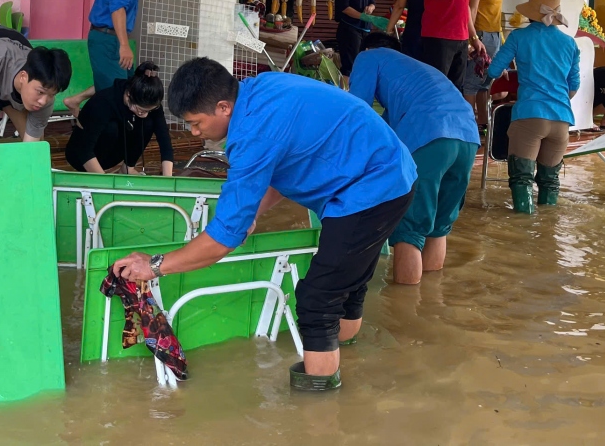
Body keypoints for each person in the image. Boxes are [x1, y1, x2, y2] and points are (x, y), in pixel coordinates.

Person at [112, 59, 416, 392]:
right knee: (345, 282)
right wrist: (251, 211)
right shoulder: (261, 89)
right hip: (390, 171)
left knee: (317, 300)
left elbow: (220, 242)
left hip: (372, 188)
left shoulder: (251, 137)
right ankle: (344, 356)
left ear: (224, 107)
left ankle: (320, 410)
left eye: (196, 123)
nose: (194, 133)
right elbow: (284, 162)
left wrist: (154, 266)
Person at [349, 33, 478, 285]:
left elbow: (357, 111)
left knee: (409, 229)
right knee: (439, 224)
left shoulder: (368, 56)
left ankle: (405, 310)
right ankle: (427, 303)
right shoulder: (415, 72)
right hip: (468, 137)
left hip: (430, 135)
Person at [483, 0, 580, 214]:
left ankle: (524, 236)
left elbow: (495, 70)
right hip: (561, 121)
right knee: (550, 181)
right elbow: (573, 87)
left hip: (529, 116)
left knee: (521, 178)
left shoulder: (519, 36)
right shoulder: (570, 43)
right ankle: (547, 236)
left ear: (529, 13)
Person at [65, 62, 175, 176]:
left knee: (148, 123)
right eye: (141, 110)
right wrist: (107, 183)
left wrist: (168, 181)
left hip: (112, 155)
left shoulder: (150, 102)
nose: (145, 114)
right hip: (81, 157)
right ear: (128, 96)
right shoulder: (104, 101)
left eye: (149, 110)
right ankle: (98, 173)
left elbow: (165, 142)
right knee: (111, 127)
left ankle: (127, 168)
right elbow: (84, 150)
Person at [461, 0, 504, 126]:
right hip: (480, 35)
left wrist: (501, 39)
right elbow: (472, 10)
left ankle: (484, 124)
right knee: (472, 82)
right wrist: (472, 38)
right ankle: (469, 126)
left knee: (486, 82)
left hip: (495, 36)